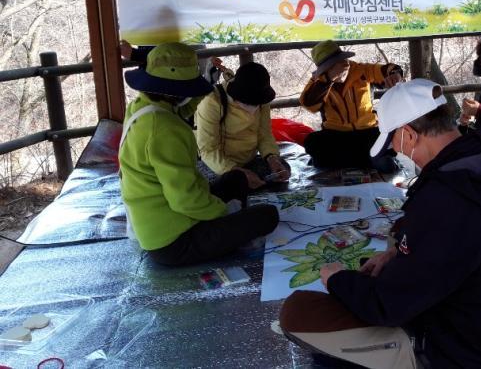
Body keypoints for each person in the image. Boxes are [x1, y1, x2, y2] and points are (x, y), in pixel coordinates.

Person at [280, 79, 481, 368]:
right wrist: (397, 253)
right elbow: (461, 246)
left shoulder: (446, 198)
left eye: (393, 142)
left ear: (409, 135)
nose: (396, 151)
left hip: (469, 350)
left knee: (299, 314)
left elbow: (387, 306)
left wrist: (336, 279)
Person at [119, 43, 279, 266]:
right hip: (173, 241)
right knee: (267, 215)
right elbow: (185, 200)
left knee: (237, 178)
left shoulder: (142, 108)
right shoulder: (165, 130)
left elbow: (184, 107)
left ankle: (228, 220)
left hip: (170, 215)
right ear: (179, 90)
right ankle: (229, 230)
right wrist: (225, 212)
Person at [300, 40, 404, 171]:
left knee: (386, 162)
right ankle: (360, 161)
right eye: (333, 66)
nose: (343, 66)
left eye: (342, 61)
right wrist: (328, 81)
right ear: (325, 69)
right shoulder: (319, 82)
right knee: (313, 142)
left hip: (368, 132)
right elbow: (308, 104)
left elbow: (386, 70)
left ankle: (359, 160)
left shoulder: (362, 71)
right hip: (336, 136)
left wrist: (395, 74)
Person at [195, 61, 291, 186]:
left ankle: (249, 182)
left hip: (248, 161)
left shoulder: (262, 99)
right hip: (217, 163)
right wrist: (236, 171)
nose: (253, 107)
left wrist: (272, 158)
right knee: (227, 183)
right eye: (249, 103)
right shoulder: (212, 101)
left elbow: (264, 135)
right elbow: (208, 150)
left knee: (282, 169)